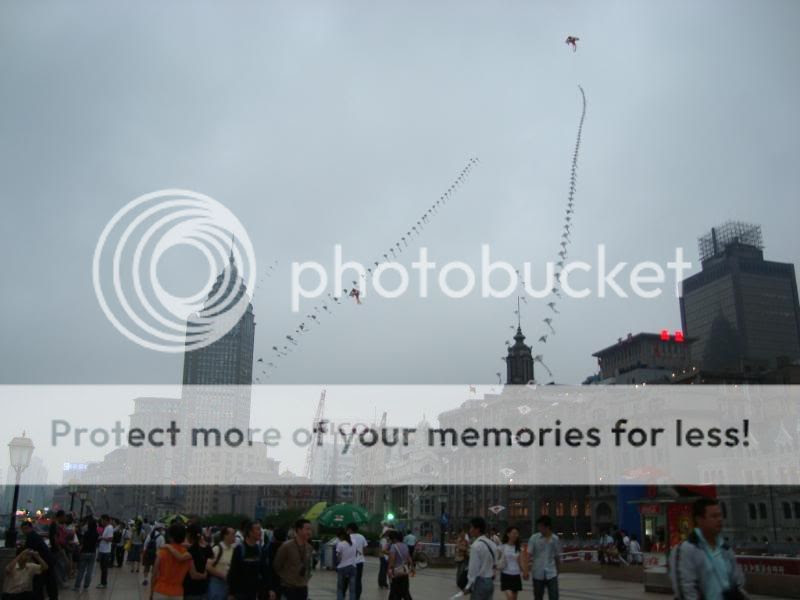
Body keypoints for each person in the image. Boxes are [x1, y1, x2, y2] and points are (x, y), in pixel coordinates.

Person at [669, 498, 747, 600]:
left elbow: (738, 583)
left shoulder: (726, 549)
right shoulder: (685, 550)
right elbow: (685, 590)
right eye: (714, 516)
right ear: (699, 519)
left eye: (720, 515)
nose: (719, 519)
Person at [273, 519, 314, 600]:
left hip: (303, 587)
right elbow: (276, 566)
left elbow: (309, 566)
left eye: (310, 529)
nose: (309, 532)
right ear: (299, 530)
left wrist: (306, 578)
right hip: (288, 587)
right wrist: (287, 577)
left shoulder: (309, 547)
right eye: (307, 529)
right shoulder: (286, 546)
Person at [150, 523, 192, 599]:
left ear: (170, 537)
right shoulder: (187, 554)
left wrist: (151, 592)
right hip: (177, 592)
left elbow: (154, 574)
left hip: (160, 590)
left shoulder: (162, 552)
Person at [227, 520, 266, 600]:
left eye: (260, 529)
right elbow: (233, 572)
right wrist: (231, 593)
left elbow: (264, 571)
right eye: (258, 529)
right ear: (250, 532)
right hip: (240, 593)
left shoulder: (260, 550)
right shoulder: (239, 549)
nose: (260, 532)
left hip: (254, 593)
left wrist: (269, 589)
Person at [20, 519, 57, 600]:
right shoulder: (34, 535)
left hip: (44, 563)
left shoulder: (30, 536)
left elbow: (28, 552)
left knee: (39, 584)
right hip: (47, 561)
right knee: (50, 583)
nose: (23, 531)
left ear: (29, 528)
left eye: (24, 529)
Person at [527, 516, 561, 600]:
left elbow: (557, 556)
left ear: (547, 527)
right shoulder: (534, 538)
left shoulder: (555, 539)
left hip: (551, 572)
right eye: (538, 526)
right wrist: (526, 569)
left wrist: (558, 570)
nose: (539, 528)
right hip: (538, 572)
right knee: (538, 596)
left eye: (541, 526)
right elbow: (528, 554)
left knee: (554, 596)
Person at [465, 517, 496, 600]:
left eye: (471, 527)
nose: (470, 530)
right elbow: (495, 563)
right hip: (490, 581)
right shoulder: (492, 544)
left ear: (477, 529)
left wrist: (468, 585)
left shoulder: (476, 546)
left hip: (479, 582)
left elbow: (473, 569)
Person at [183, 523, 213, 600]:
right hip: (204, 589)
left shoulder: (190, 551)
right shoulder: (208, 548)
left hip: (191, 590)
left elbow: (193, 575)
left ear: (189, 535)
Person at [206, 526, 236, 600]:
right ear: (225, 536)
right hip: (217, 583)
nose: (234, 536)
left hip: (230, 584)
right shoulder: (217, 549)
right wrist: (222, 575)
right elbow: (208, 566)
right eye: (232, 534)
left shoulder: (234, 549)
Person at [498, 526, 527, 599]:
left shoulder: (519, 548)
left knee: (514, 598)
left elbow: (522, 561)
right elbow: (497, 559)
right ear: (508, 534)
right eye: (513, 533)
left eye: (517, 533)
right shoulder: (502, 547)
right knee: (510, 597)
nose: (515, 535)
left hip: (516, 575)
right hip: (505, 575)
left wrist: (525, 572)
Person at [73, 516, 99, 591]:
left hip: (84, 552)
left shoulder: (86, 533)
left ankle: (77, 586)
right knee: (89, 571)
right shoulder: (96, 534)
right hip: (93, 552)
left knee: (81, 570)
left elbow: (83, 543)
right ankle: (86, 586)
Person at [386, 530, 413, 600]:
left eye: (391, 539)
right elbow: (409, 559)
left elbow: (392, 560)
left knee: (394, 591)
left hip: (396, 572)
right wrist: (411, 568)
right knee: (405, 591)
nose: (391, 541)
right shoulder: (405, 546)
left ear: (394, 539)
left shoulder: (394, 546)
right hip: (404, 571)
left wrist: (389, 570)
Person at [264, 527, 287, 600]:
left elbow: (267, 570)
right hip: (283, 585)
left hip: (272, 585)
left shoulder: (267, 549)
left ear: (273, 537)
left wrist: (270, 589)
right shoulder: (287, 549)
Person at [346, 523, 367, 599]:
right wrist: (361, 555)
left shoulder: (347, 537)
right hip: (360, 562)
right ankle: (357, 596)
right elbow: (365, 548)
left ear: (350, 529)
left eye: (347, 529)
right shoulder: (361, 537)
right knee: (358, 580)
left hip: (350, 563)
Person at [335, 528, 357, 600]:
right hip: (353, 567)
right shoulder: (354, 542)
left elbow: (339, 558)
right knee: (352, 588)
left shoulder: (340, 544)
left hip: (342, 567)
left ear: (341, 536)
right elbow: (356, 553)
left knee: (340, 588)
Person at [95, 514, 114, 589]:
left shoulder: (110, 527)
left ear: (106, 520)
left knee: (104, 568)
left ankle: (103, 583)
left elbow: (110, 539)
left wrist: (102, 537)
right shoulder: (106, 527)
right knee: (102, 567)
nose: (101, 521)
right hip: (103, 550)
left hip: (106, 551)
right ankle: (102, 582)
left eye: (102, 520)